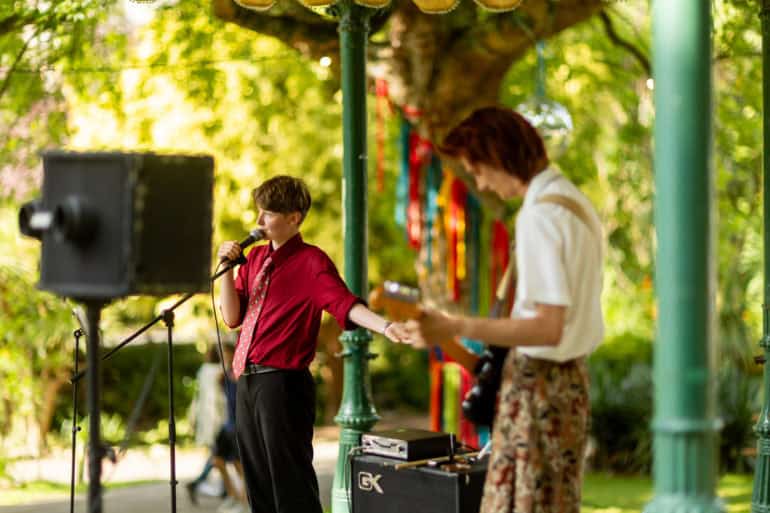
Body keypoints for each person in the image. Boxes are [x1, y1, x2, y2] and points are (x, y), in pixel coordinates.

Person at [404, 106, 604, 513]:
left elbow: (547, 327)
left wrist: (454, 323)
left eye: (476, 170)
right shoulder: (574, 203)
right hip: (568, 386)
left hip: (539, 388)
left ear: (496, 156)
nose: (481, 184)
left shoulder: (540, 215)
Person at [217, 175, 408, 513]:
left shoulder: (311, 262)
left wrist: (386, 325)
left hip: (282, 383)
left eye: (269, 214)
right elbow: (232, 318)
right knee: (259, 484)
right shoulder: (256, 260)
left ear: (294, 217)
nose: (259, 222)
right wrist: (225, 270)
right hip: (247, 380)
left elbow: (345, 304)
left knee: (291, 485)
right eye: (259, 212)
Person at [186, 345, 227, 505]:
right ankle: (198, 483)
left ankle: (224, 491)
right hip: (218, 416)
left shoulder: (203, 371)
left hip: (206, 416)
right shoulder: (219, 371)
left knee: (220, 454)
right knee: (219, 454)